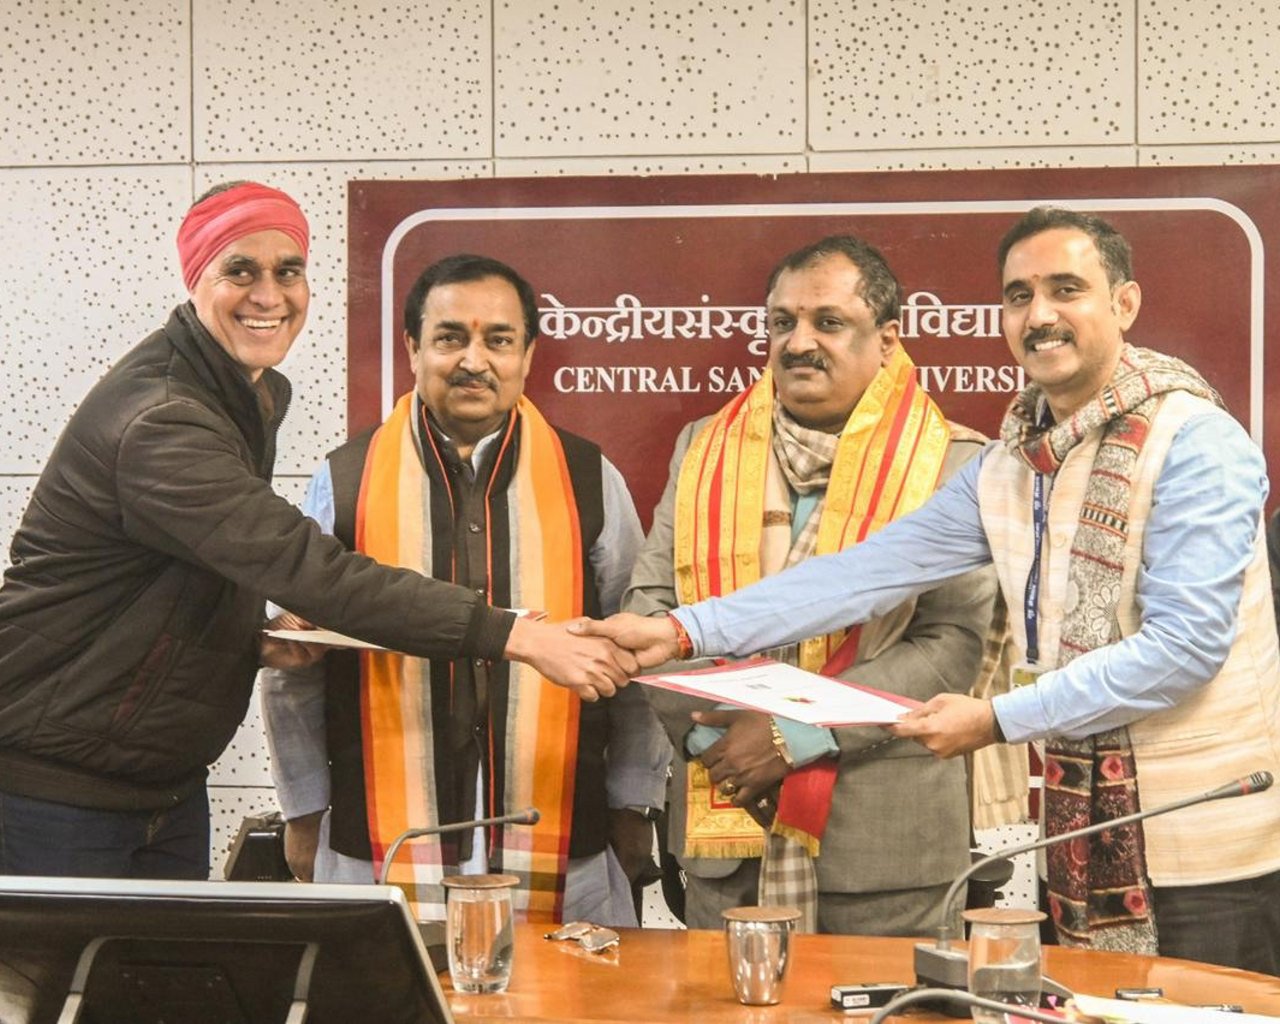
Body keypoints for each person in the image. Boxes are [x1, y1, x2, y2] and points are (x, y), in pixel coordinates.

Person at [578, 207, 1280, 973]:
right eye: (1019, 295)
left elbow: (1184, 649)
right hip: (1084, 844)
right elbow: (863, 574)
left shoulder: (1197, 444)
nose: (1039, 315)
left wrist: (997, 718)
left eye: (1066, 289)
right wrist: (681, 632)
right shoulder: (1014, 464)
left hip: (1209, 852)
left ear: (1125, 303)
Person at [0, 183, 634, 882]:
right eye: (240, 270)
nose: (268, 295)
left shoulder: (240, 396)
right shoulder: (163, 420)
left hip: (161, 786)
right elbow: (310, 571)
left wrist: (249, 640)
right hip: (58, 794)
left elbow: (185, 577)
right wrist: (516, 635)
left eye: (288, 271)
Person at [261, 254, 670, 924]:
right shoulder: (346, 478)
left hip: (566, 833)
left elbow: (637, 652)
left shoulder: (589, 477)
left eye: (498, 340)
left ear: (528, 355)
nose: (474, 361)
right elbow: (295, 663)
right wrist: (303, 810)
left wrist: (634, 800)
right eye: (450, 337)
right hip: (378, 842)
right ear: (413, 348)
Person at [622, 235, 1007, 935]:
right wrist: (721, 744)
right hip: (729, 818)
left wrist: (791, 733)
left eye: (828, 322)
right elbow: (650, 610)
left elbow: (951, 646)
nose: (798, 343)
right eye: (782, 322)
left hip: (885, 849)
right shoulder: (703, 448)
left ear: (887, 341)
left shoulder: (953, 463)